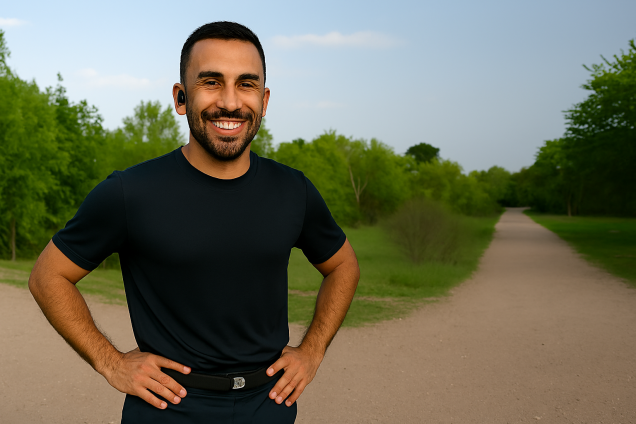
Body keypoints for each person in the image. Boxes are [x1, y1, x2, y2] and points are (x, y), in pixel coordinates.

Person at [28, 21, 360, 423]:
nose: (231, 102)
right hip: (167, 409)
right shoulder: (129, 193)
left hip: (268, 407)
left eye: (247, 84)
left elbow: (343, 265)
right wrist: (111, 362)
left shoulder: (294, 191)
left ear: (265, 99)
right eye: (211, 82)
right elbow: (48, 276)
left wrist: (312, 351)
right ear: (181, 97)